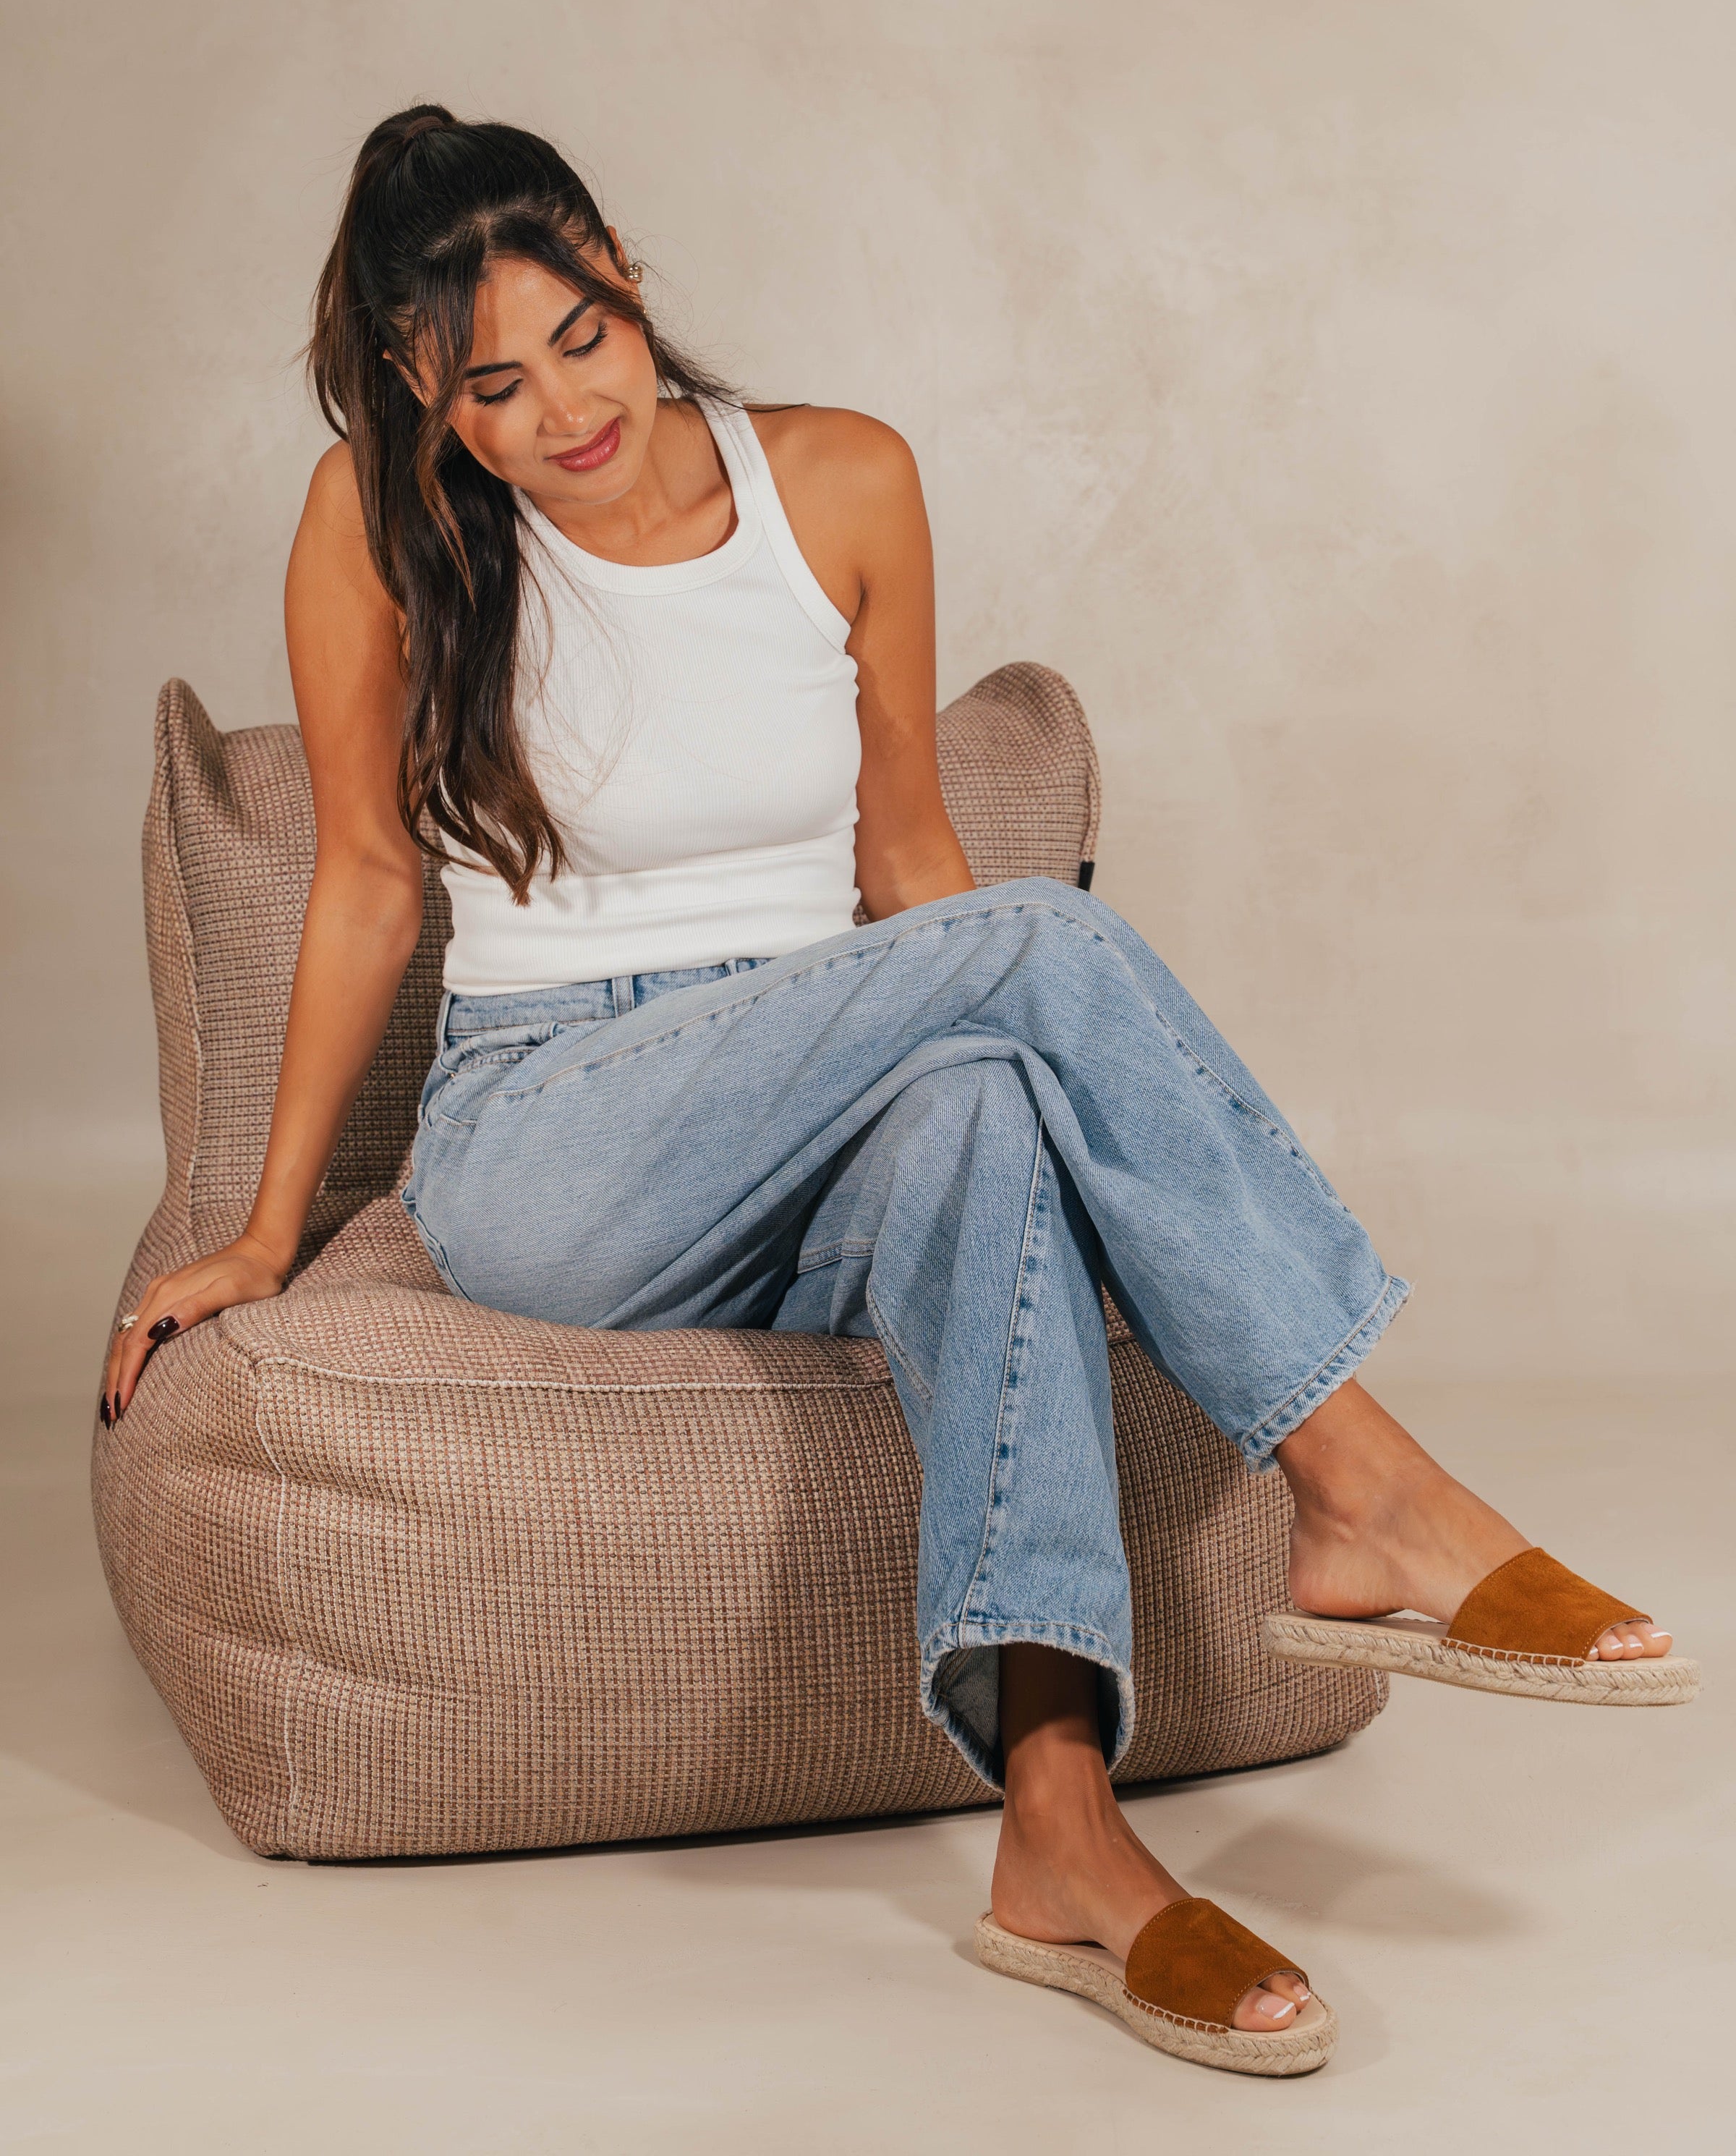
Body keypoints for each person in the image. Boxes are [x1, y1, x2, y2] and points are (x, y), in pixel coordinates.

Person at [101, 106, 1685, 2076]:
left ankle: (1061, 1833)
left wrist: (1046, 1087)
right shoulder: (377, 524)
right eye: (491, 389)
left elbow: (912, 863)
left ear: (628, 277)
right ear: (428, 395)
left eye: (581, 340)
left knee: (986, 1107)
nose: (563, 413)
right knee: (1039, 953)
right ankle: (1359, 1480)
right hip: (556, 1139)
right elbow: (361, 877)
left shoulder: (842, 480)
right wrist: (263, 1230)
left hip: (822, 1081)